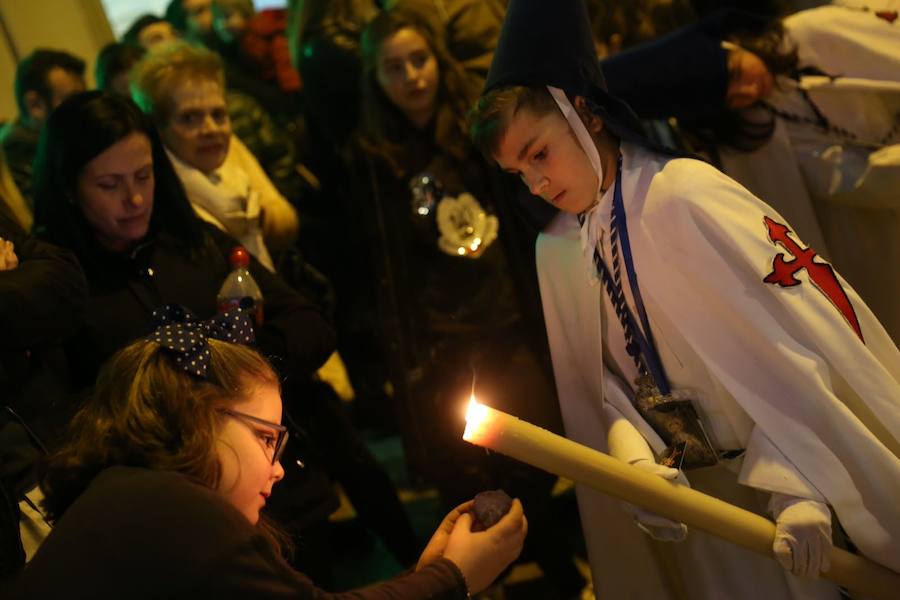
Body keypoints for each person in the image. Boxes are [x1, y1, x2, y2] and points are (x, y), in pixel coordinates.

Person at [469, 1, 900, 599]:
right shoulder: (563, 248)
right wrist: (633, 462)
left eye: (539, 153)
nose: (537, 184)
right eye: (518, 172)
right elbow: (608, 386)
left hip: (795, 491)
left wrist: (797, 489)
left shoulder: (683, 199)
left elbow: (787, 360)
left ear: (586, 114)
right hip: (705, 518)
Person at [11, 317, 527, 598]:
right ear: (201, 416)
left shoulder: (132, 498)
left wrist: (432, 573)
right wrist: (454, 577)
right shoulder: (171, 508)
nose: (279, 467)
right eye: (266, 438)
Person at [355, 7, 585, 597]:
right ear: (375, 79)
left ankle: (561, 572)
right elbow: (385, 262)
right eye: (394, 68)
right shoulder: (378, 154)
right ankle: (500, 578)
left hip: (505, 315)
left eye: (419, 59)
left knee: (536, 456)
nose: (411, 77)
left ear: (439, 58)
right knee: (470, 472)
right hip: (443, 337)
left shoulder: (474, 128)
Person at [130, 41, 299, 271]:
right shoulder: (158, 198)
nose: (211, 129)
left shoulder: (229, 149)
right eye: (190, 118)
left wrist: (259, 218)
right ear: (158, 128)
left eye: (219, 114)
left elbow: (285, 223)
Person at [0, 49, 86, 203]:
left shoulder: (57, 147)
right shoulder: (15, 165)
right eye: (72, 100)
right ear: (35, 105)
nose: (84, 108)